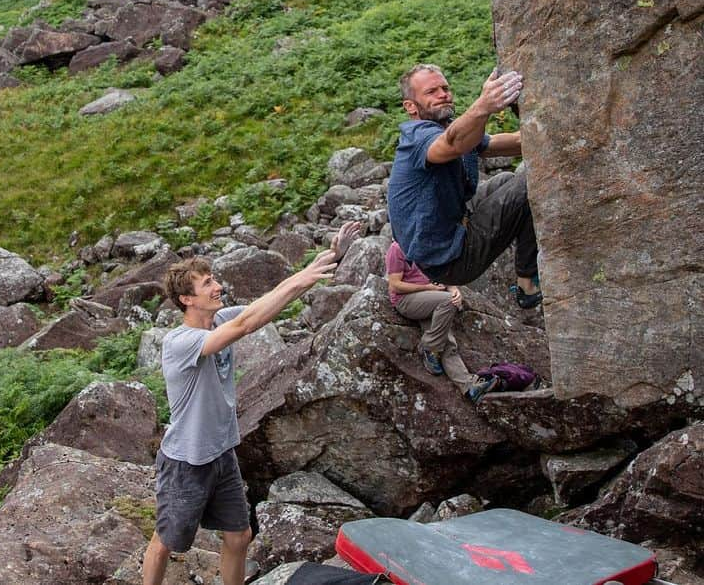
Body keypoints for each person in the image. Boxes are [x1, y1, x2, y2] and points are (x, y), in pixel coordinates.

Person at [142, 221, 362, 585]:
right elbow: (246, 324)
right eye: (207, 283)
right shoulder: (180, 342)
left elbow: (268, 304)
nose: (218, 286)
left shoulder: (219, 319)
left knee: (240, 536)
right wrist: (303, 278)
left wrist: (330, 258)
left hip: (222, 452)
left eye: (214, 278)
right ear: (187, 299)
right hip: (187, 460)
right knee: (168, 541)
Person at [387, 64, 542, 309]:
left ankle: (524, 274)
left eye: (445, 88)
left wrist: (548, 134)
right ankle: (529, 281)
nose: (443, 94)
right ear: (410, 106)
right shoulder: (417, 137)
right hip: (449, 260)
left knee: (504, 181)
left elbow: (496, 144)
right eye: (431, 92)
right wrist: (484, 106)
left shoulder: (449, 128)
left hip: (455, 225)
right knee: (530, 182)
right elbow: (451, 145)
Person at [385, 239, 461, 375]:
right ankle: (428, 347)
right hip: (406, 299)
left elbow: (442, 272)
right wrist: (428, 287)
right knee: (448, 301)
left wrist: (454, 289)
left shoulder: (428, 243)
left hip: (430, 298)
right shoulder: (397, 248)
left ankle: (468, 385)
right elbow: (394, 285)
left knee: (447, 340)